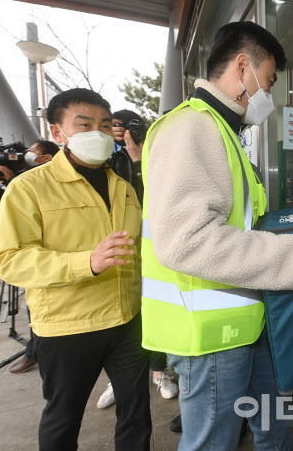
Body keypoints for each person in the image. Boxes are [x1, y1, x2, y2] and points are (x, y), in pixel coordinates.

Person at [141, 21, 293, 451]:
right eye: (269, 81)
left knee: (274, 427)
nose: (269, 94)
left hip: (247, 323)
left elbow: (246, 226)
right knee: (212, 443)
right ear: (243, 67)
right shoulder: (191, 129)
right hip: (212, 333)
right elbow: (188, 240)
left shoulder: (225, 133)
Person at [0, 88, 151, 451]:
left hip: (127, 319)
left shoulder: (123, 187)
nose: (97, 132)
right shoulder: (28, 188)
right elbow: (8, 260)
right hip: (68, 326)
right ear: (57, 132)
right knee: (63, 418)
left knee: (136, 414)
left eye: (104, 124)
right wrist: (87, 262)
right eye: (84, 124)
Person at [96, 109, 177, 407]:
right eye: (114, 126)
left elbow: (156, 198)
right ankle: (118, 380)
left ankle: (159, 372)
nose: (123, 132)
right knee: (121, 316)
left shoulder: (153, 153)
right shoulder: (103, 157)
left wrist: (140, 161)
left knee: (151, 309)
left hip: (152, 243)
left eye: (130, 127)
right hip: (114, 246)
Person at [1, 140, 60, 374]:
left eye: (33, 151)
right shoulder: (25, 182)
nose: (27, 155)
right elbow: (9, 259)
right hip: (35, 263)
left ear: (47, 157)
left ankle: (33, 352)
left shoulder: (49, 183)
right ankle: (33, 352)